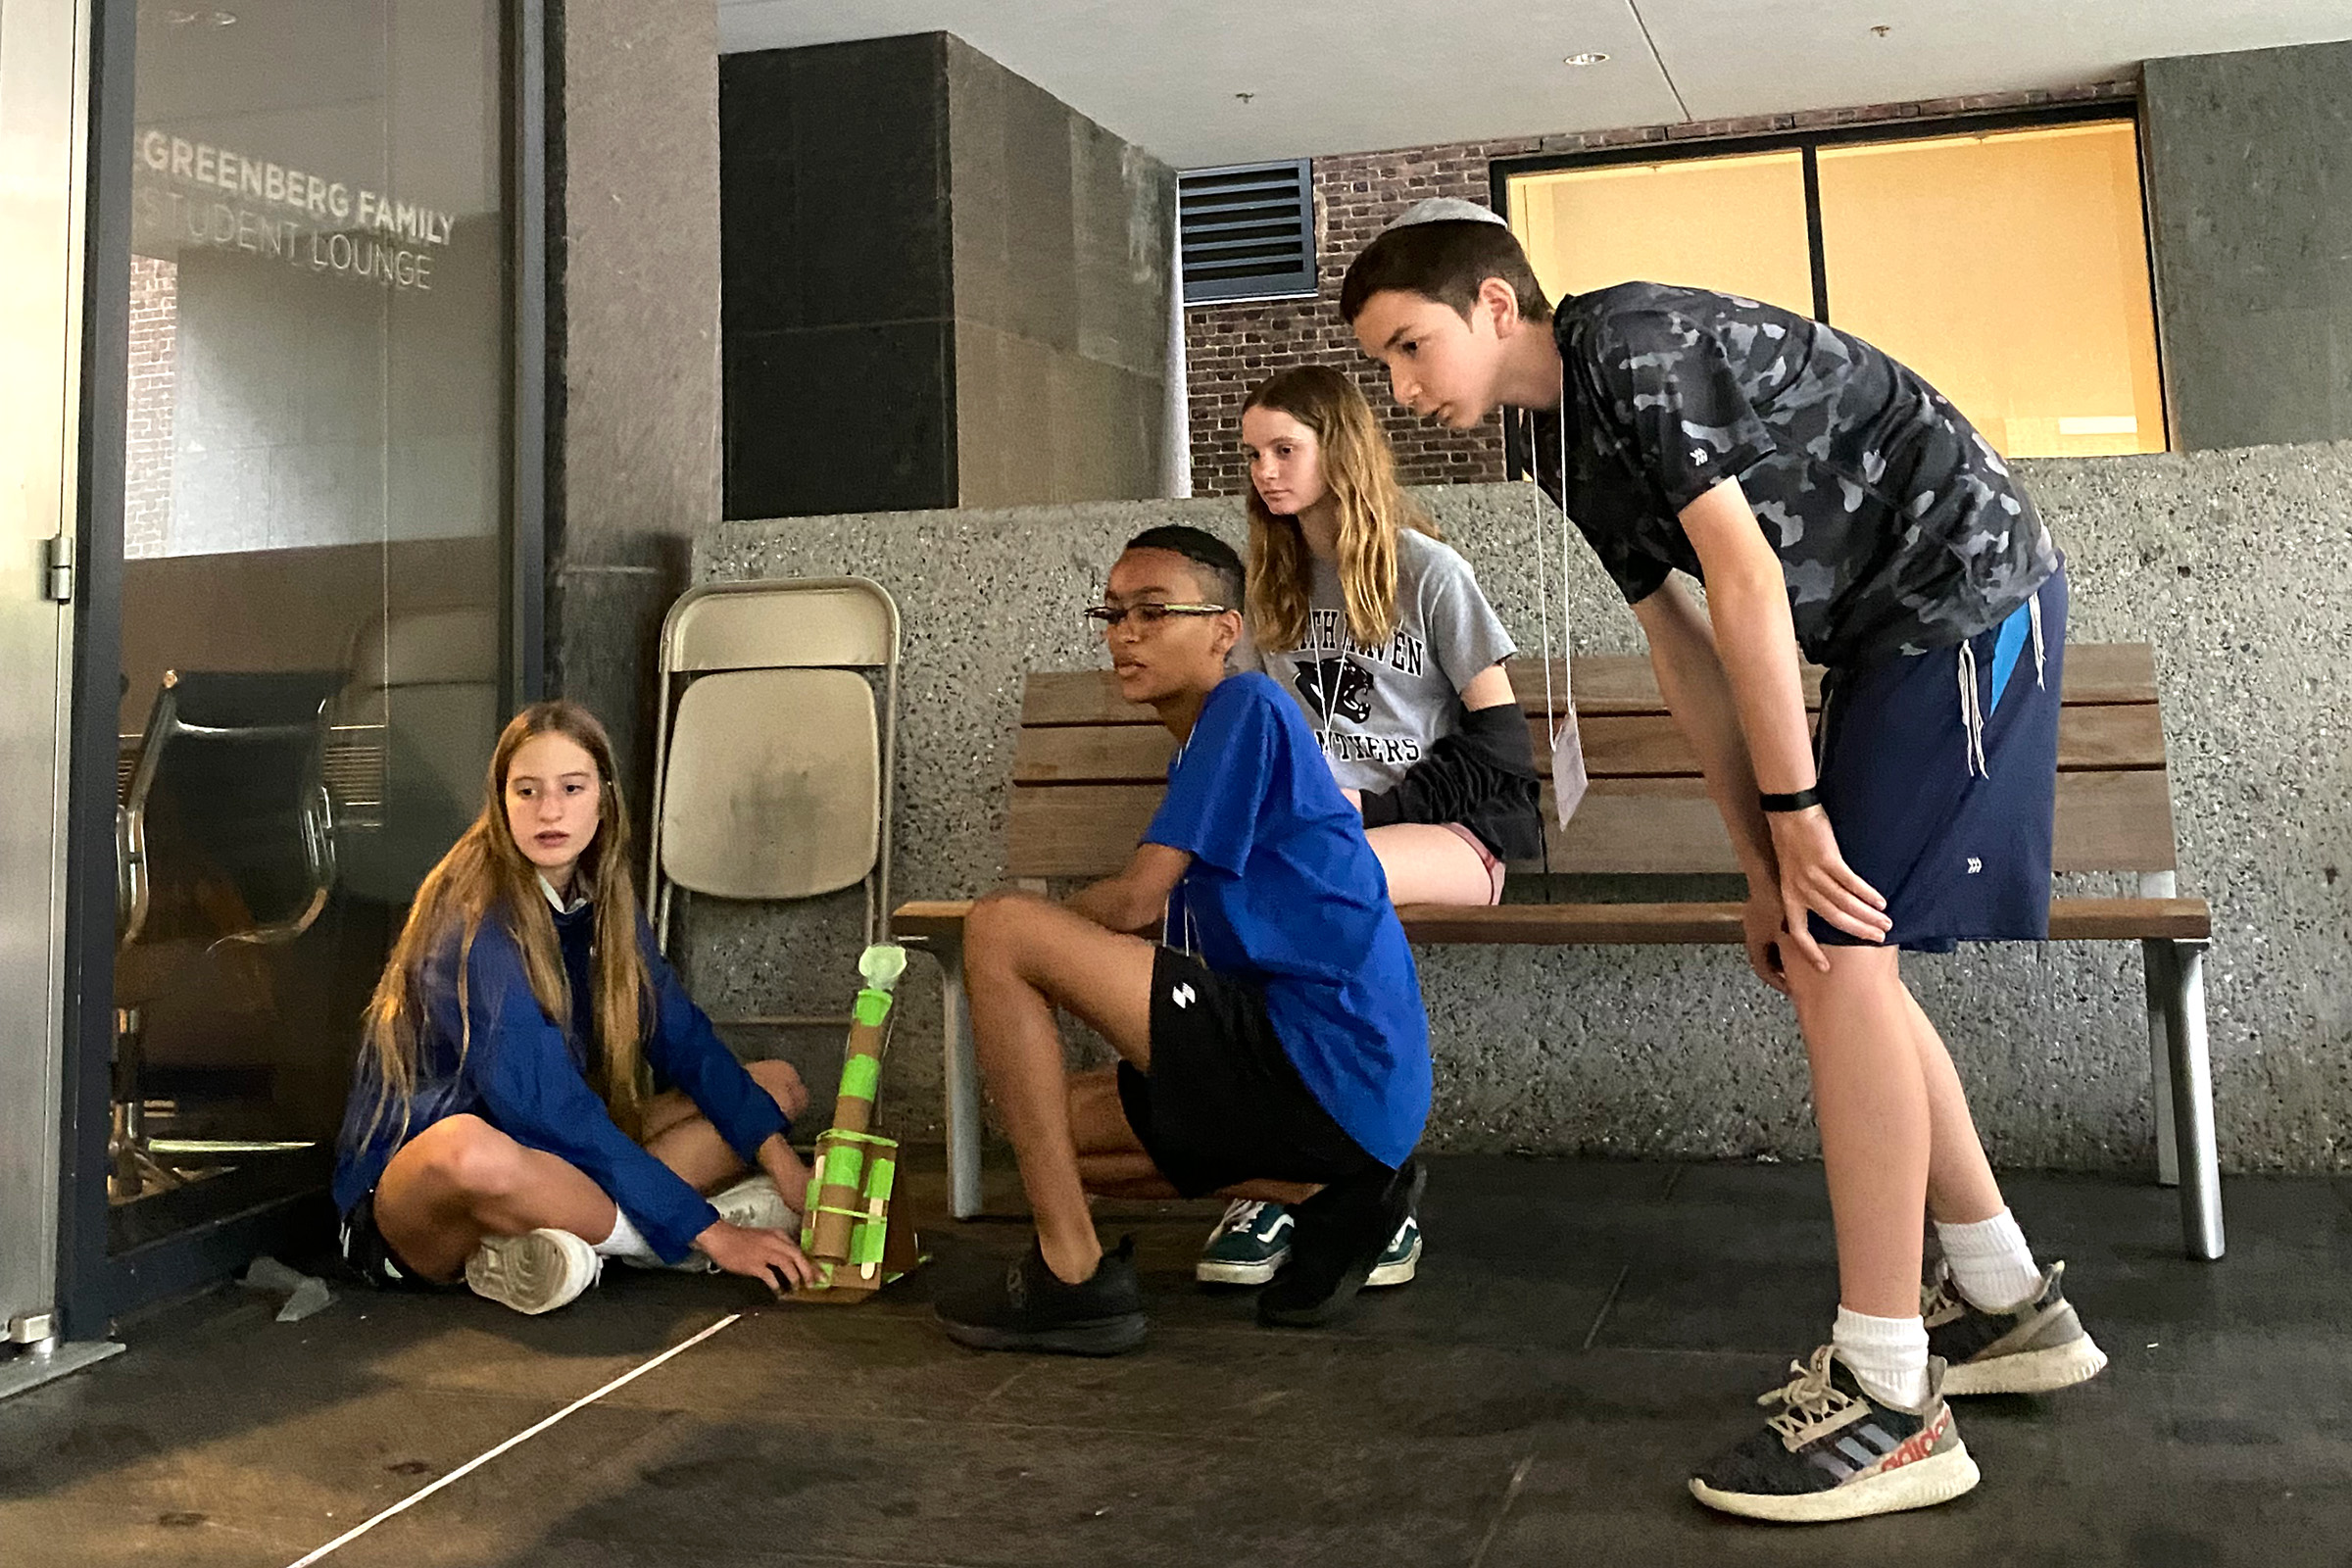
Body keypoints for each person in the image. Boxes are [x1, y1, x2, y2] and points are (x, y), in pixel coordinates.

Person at [1339, 198, 2107, 1523]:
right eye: (1385, 366)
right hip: (1889, 633)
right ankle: (1997, 1298)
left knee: (1842, 951)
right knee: (1829, 946)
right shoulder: (1550, 436)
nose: (1403, 392)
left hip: (1965, 593)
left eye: (1412, 347)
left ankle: (1888, 1393)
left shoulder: (1629, 345)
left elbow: (1745, 580)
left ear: (1496, 306)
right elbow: (1679, 638)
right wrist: (1761, 858)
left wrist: (1798, 816)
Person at [933, 525, 1430, 1354]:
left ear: (1225, 631)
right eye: (1113, 613)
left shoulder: (1248, 707)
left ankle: (1071, 1275)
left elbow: (1135, 903)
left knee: (1000, 925)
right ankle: (1329, 1192)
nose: (1124, 634)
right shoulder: (1207, 748)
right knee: (1045, 1131)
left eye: (1153, 612)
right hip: (1341, 1099)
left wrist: (1028, 944)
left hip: (1327, 1055)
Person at [1194, 365, 1544, 1290]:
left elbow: (1505, 749)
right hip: (1315, 847)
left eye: (1285, 450)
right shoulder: (1270, 587)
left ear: (1338, 451)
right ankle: (1284, 1175)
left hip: (1451, 837)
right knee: (1239, 900)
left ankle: (1369, 1180)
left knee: (1318, 889)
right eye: (1253, 456)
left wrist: (1372, 811)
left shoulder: (1427, 572)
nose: (1265, 473)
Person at [331, 699, 819, 1315]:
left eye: (571, 787)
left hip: (549, 1160)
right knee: (468, 1148)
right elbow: (546, 1108)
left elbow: (685, 1043)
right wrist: (715, 1235)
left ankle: (563, 1245)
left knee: (773, 1089)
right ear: (501, 802)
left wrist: (788, 1172)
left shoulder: (600, 898)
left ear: (604, 799)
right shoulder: (471, 920)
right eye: (526, 791)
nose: (550, 811)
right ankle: (652, 1243)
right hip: (421, 1201)